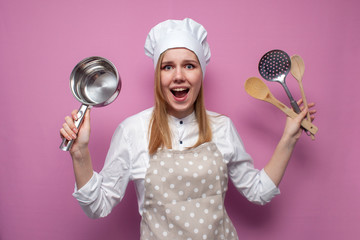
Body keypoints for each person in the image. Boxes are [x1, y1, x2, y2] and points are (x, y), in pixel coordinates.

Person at [60, 18, 316, 240]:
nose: (179, 76)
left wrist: (288, 138)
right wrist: (80, 152)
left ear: (200, 74)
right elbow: (97, 206)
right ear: (158, 75)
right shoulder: (132, 131)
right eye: (168, 66)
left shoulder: (222, 127)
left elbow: (258, 191)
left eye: (189, 65)